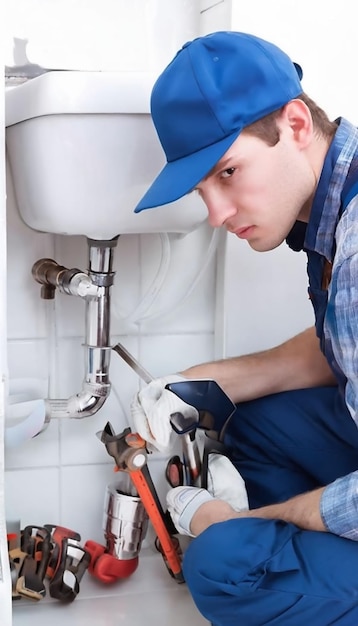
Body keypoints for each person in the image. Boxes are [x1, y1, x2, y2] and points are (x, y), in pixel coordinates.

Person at [130, 31, 358, 625]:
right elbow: (342, 341)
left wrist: (261, 519)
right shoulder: (336, 205)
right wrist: (209, 381)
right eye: (203, 188)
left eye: (227, 172)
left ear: (296, 124)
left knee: (224, 569)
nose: (217, 213)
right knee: (257, 426)